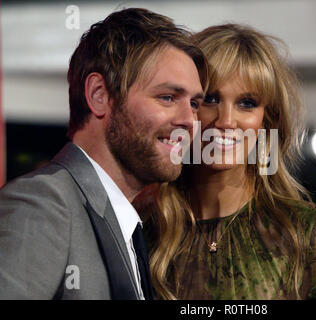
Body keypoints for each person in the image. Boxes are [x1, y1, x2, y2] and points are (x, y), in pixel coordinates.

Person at [137, 24, 316, 300]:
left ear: (267, 121)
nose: (226, 121)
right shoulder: (141, 228)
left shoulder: (306, 238)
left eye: (247, 103)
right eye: (211, 99)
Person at [0, 8, 206, 300]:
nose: (189, 120)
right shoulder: (44, 203)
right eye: (167, 97)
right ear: (99, 94)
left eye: (195, 104)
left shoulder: (129, 227)